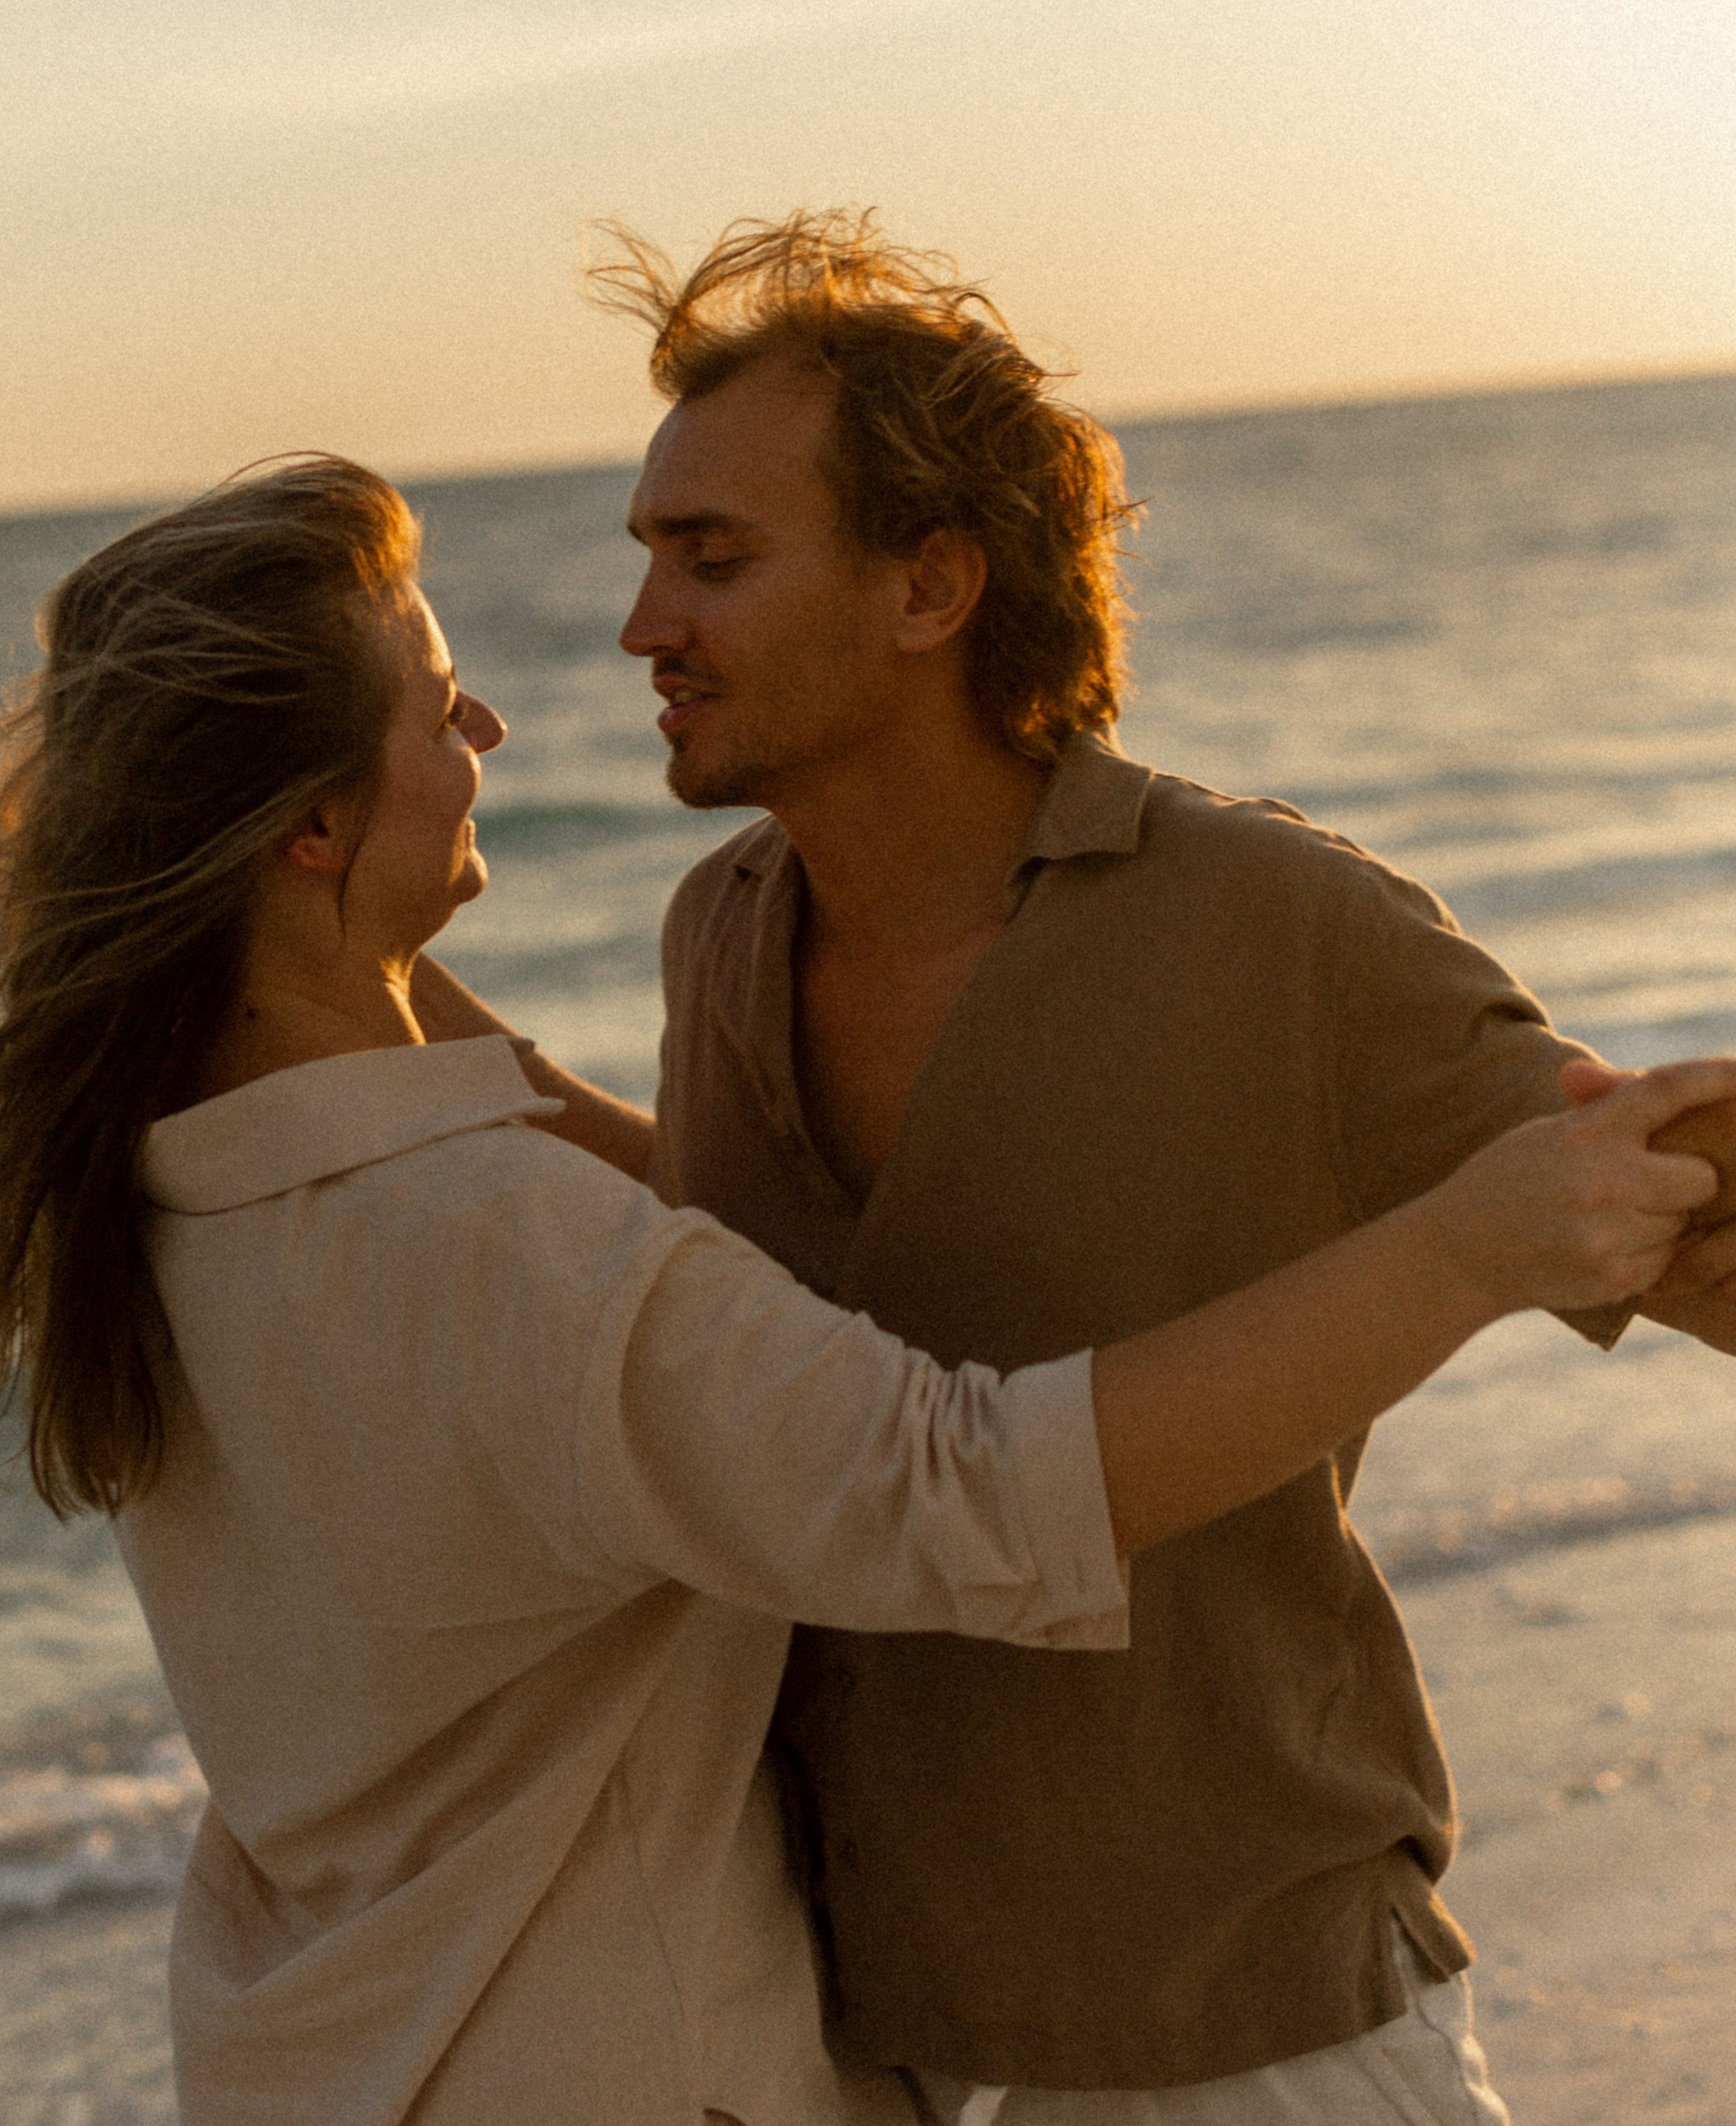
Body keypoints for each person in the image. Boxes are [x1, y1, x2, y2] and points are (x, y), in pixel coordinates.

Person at [0, 457, 1720, 2126]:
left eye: (708, 552)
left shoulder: (163, 1193)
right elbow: (968, 1486)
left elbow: (653, 1270)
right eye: (436, 707)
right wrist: (1469, 1246)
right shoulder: (493, 1244)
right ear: (304, 831)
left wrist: (377, 976)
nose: (497, 718)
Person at [557, 213, 1735, 2125]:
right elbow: (771, 1343)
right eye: (648, 560)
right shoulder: (718, 934)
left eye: (712, 558)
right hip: (860, 2049)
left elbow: (1661, 1220)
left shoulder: (1277, 924)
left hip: (1259, 2040)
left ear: (931, 584)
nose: (643, 626)